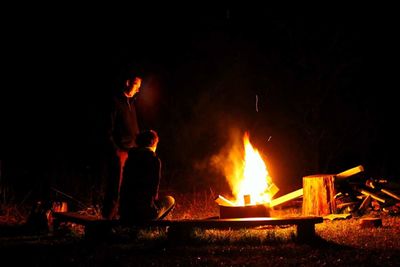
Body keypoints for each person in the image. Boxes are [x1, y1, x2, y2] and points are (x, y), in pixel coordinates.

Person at [101, 71, 143, 220]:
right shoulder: (115, 102)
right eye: (136, 85)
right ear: (127, 83)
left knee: (129, 186)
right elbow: (107, 129)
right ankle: (107, 219)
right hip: (120, 151)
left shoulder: (131, 103)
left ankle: (123, 218)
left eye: (139, 86)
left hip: (133, 150)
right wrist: (115, 149)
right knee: (115, 186)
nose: (138, 89)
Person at [119, 129, 175, 224]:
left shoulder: (130, 158)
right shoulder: (153, 159)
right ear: (154, 143)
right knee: (170, 200)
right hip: (144, 214)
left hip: (125, 213)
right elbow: (153, 188)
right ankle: (151, 225)